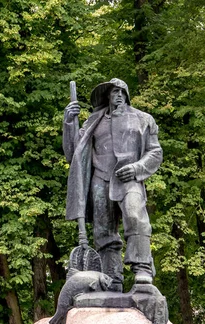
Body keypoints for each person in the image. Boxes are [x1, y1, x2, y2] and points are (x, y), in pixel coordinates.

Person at [63, 78, 162, 290]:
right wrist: (69, 123)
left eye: (121, 91)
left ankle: (142, 268)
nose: (117, 95)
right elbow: (75, 154)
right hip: (100, 180)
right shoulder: (93, 121)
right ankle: (111, 279)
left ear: (126, 95)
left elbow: (155, 152)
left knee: (136, 217)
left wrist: (137, 168)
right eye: (113, 91)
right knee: (103, 231)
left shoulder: (143, 119)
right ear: (107, 95)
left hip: (129, 179)